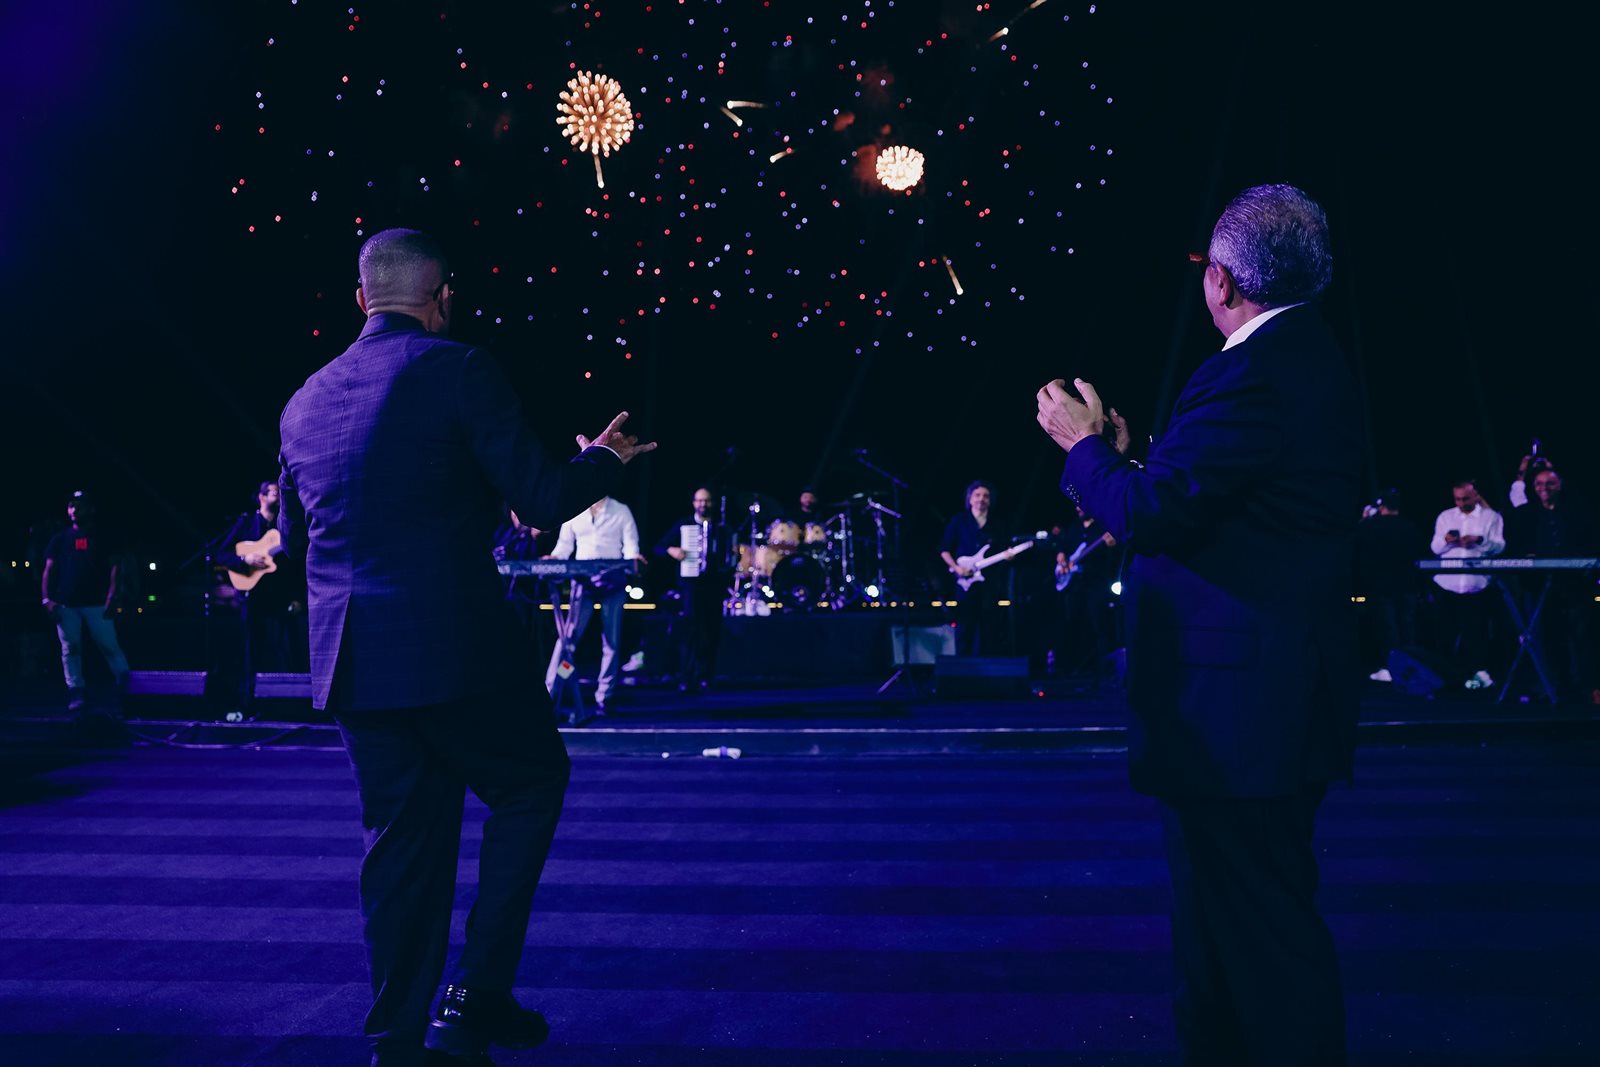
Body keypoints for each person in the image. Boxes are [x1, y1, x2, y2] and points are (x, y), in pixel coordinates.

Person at [276, 228, 655, 1067]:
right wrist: (602, 459)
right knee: (530, 782)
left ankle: (396, 1041)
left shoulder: (303, 400)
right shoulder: (459, 369)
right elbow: (545, 498)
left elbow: (298, 545)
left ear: (362, 298)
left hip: (351, 660)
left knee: (400, 848)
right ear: (442, 297)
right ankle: (477, 993)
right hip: (451, 649)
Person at [1038, 184, 1356, 1064]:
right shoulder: (1303, 357)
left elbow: (1152, 514)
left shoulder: (1253, 371)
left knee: (1259, 946)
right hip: (1259, 702)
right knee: (1226, 940)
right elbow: (1209, 503)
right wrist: (1124, 464)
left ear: (1222, 280)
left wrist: (1081, 445)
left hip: (1241, 714)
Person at [208, 481, 307, 715]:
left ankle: (294, 705)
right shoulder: (246, 523)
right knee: (252, 651)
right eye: (274, 492)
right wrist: (245, 560)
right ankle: (249, 703)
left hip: (281, 597)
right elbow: (221, 553)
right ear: (261, 497)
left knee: (289, 649)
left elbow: (296, 564)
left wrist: (298, 597)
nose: (279, 496)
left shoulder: (285, 524)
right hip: (254, 597)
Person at [542, 496, 645, 713]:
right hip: (583, 581)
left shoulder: (620, 510)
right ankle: (552, 690)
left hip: (613, 580)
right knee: (567, 639)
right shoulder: (575, 508)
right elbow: (564, 546)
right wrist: (554, 558)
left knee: (611, 641)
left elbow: (630, 545)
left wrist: (633, 558)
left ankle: (604, 696)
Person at [1505, 468, 1597, 702]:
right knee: (1550, 635)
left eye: (1550, 484)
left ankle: (1589, 684)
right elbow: (1517, 545)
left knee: (1583, 635)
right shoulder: (1527, 514)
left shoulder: (1576, 513)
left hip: (1575, 584)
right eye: (1539, 484)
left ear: (1560, 486)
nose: (1544, 489)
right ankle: (1557, 685)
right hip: (1541, 585)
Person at [40, 490, 130, 713]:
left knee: (109, 646)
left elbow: (115, 568)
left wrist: (112, 596)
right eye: (71, 506)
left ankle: (128, 689)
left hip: (97, 603)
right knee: (70, 649)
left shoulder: (103, 537)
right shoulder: (59, 539)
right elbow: (48, 570)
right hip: (66, 604)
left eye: (79, 506)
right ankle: (76, 691)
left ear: (91, 509)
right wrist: (46, 599)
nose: (74, 510)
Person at [655, 487, 735, 692]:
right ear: (693, 503)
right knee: (691, 629)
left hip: (714, 584)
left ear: (712, 503)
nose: (703, 504)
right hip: (691, 584)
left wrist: (733, 556)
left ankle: (705, 675)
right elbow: (660, 547)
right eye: (699, 501)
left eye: (706, 501)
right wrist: (672, 550)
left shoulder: (722, 527)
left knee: (711, 630)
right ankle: (687, 675)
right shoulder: (685, 525)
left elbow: (730, 556)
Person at [1429, 478, 1505, 689]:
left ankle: (1476, 675)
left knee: (1477, 634)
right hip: (1448, 584)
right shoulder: (1446, 516)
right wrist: (1446, 540)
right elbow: (1435, 548)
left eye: (1465, 499)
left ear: (1476, 496)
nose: (1461, 503)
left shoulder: (1491, 517)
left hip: (1477, 584)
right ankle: (1445, 678)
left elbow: (1500, 546)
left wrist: (1479, 540)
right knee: (1444, 634)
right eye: (1457, 499)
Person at [1355, 489, 1428, 682]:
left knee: (1387, 627)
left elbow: (1355, 544)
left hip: (1380, 586)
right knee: (1407, 627)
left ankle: (1390, 668)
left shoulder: (1370, 526)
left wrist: (1364, 519)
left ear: (1381, 507)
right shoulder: (1410, 527)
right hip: (1408, 585)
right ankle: (1410, 667)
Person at [938, 481, 1012, 655]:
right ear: (970, 499)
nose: (981, 499)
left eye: (986, 496)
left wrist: (1009, 556)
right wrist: (957, 568)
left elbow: (1004, 549)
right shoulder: (959, 521)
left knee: (989, 628)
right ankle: (963, 666)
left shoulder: (997, 524)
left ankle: (987, 666)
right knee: (965, 628)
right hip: (965, 584)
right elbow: (944, 550)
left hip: (989, 583)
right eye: (977, 495)